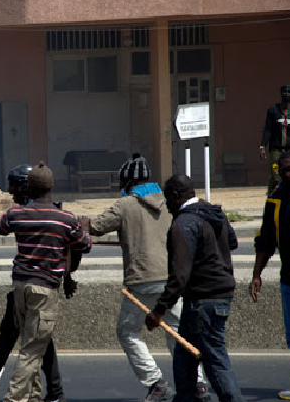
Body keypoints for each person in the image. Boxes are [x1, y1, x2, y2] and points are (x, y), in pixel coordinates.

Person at [78, 154, 208, 402]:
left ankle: (155, 382)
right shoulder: (169, 200)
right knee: (179, 334)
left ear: (126, 182)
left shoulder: (125, 204)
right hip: (172, 282)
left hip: (141, 282)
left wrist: (82, 221)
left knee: (127, 331)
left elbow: (95, 226)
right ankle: (199, 384)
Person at [0, 161, 92, 402]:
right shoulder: (64, 219)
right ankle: (14, 398)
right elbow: (84, 245)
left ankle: (33, 397)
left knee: (31, 342)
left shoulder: (15, 214)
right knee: (32, 349)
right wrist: (84, 228)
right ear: (50, 187)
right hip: (44, 289)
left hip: (20, 287)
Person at [0, 164, 72, 402]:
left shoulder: (32, 214)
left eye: (13, 185)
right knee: (36, 338)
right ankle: (42, 393)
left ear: (26, 187)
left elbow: (70, 249)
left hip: (34, 284)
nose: (9, 191)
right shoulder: (47, 214)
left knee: (30, 343)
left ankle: (11, 392)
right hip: (35, 285)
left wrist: (67, 276)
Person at [145, 175, 243, 402]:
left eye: (168, 199)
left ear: (176, 196)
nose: (167, 206)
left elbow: (179, 276)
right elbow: (233, 242)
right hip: (213, 298)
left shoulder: (184, 224)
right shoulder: (213, 212)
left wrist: (159, 310)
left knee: (215, 361)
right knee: (184, 356)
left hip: (204, 302)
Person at [250, 151, 290, 400]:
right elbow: (266, 240)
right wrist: (256, 274)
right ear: (279, 173)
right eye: (288, 169)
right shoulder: (275, 201)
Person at [259, 84, 290, 194]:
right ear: (281, 94)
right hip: (276, 149)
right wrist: (263, 145)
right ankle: (272, 199)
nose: (286, 95)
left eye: (289, 93)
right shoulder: (273, 110)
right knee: (276, 176)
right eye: (284, 93)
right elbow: (267, 129)